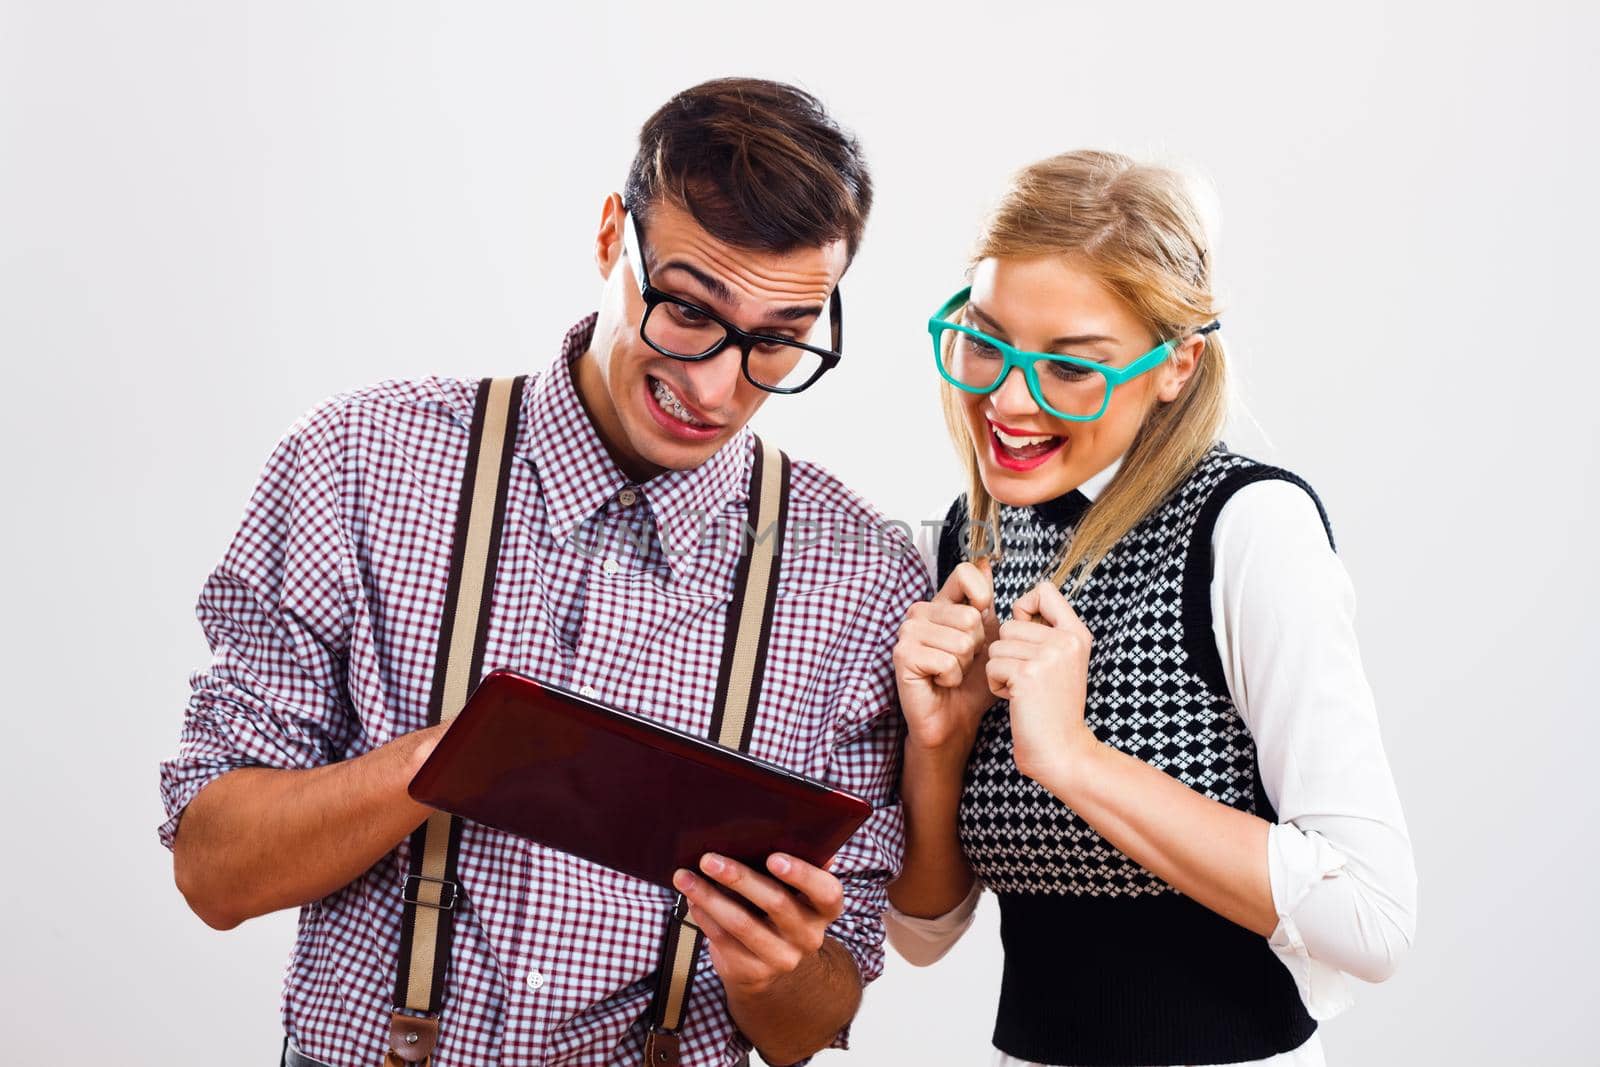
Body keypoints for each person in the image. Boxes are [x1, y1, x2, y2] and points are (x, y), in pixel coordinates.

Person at [159, 77, 929, 1067]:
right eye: (687, 309)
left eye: (776, 342)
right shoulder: (359, 459)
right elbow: (214, 873)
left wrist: (773, 968)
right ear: (613, 236)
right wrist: (460, 752)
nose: (716, 386)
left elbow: (814, 1018)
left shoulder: (862, 574)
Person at [886, 150, 1417, 1066]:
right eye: (987, 342)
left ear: (1177, 365)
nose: (1010, 400)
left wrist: (1073, 759)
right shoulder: (967, 544)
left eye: (1072, 367)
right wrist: (938, 744)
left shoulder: (1249, 529)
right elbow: (921, 933)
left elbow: (1372, 917)